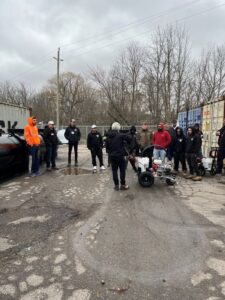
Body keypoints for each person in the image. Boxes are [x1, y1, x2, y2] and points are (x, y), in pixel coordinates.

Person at [106, 122, 131, 191]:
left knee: (114, 171)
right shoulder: (120, 135)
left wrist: (111, 153)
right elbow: (129, 139)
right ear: (118, 128)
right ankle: (123, 185)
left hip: (112, 156)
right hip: (120, 156)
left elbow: (107, 148)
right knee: (122, 170)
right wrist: (128, 133)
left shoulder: (108, 136)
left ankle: (116, 185)